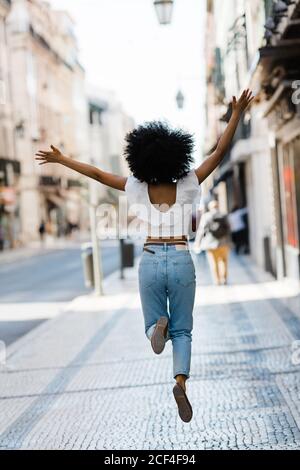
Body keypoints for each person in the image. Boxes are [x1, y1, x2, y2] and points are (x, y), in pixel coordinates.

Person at [35, 89, 254, 423]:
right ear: (176, 156)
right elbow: (220, 151)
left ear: (142, 158)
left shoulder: (135, 187)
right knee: (184, 332)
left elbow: (96, 173)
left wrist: (62, 159)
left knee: (154, 323)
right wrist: (236, 112)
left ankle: (156, 326)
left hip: (151, 257)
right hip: (181, 256)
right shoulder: (190, 183)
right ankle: (180, 380)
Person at [194, 200, 231, 285]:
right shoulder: (224, 215)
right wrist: (230, 242)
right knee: (224, 262)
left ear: (210, 208)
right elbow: (229, 229)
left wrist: (197, 243)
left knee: (213, 263)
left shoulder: (206, 216)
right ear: (218, 206)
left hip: (210, 244)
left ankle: (217, 281)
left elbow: (201, 231)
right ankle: (224, 279)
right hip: (223, 243)